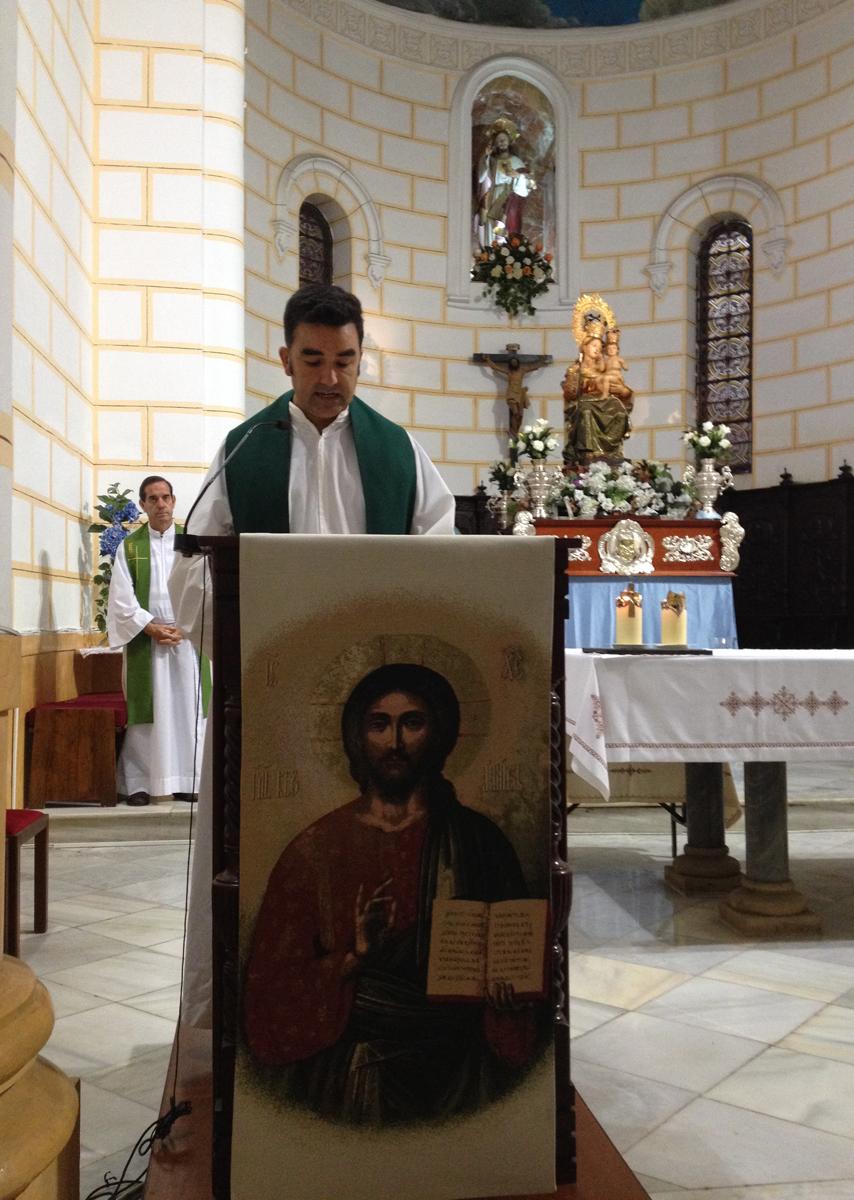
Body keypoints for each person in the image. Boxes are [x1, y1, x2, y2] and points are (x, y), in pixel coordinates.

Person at [171, 283, 456, 1028]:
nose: (330, 378)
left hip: (377, 703)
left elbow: (441, 555)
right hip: (271, 692)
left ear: (362, 358)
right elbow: (192, 570)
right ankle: (254, 1008)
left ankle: (383, 1010)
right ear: (284, 358)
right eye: (312, 360)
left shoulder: (400, 451)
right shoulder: (244, 449)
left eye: (345, 361)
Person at [242, 663, 544, 1125]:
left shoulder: (480, 842)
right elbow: (269, 993)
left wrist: (509, 999)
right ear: (357, 736)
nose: (395, 742)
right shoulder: (316, 849)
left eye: (412, 723)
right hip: (354, 1082)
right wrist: (354, 959)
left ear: (439, 734)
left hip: (463, 1075)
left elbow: (517, 957)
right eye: (379, 724)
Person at [107, 476, 209, 805]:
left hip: (187, 641)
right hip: (147, 641)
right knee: (148, 717)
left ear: (174, 501)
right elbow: (121, 597)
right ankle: (139, 783)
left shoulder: (192, 542)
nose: (161, 504)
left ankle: (189, 779)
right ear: (142, 505)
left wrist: (186, 626)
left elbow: (207, 586)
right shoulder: (130, 547)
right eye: (153, 499)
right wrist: (149, 626)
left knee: (188, 711)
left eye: (165, 497)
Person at [562, 325, 634, 465]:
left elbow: (622, 389)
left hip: (605, 400)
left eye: (600, 347)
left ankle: (611, 454)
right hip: (585, 401)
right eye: (594, 345)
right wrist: (576, 382)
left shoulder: (604, 367)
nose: (597, 349)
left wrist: (624, 391)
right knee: (586, 411)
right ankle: (588, 453)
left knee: (619, 412)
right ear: (584, 346)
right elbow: (570, 394)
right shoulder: (575, 368)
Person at [475, 121, 535, 246]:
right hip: (493, 195)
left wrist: (517, 175)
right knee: (490, 223)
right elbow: (481, 178)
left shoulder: (516, 161)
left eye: (504, 139)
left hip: (510, 197)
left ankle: (505, 250)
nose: (501, 142)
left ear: (509, 141)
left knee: (506, 224)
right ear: (495, 144)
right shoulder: (492, 161)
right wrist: (486, 157)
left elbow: (527, 184)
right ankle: (490, 249)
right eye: (498, 140)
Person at [485, 349, 543, 439]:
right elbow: (496, 367)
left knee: (520, 415)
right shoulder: (509, 372)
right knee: (515, 413)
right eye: (512, 362)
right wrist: (488, 360)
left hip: (520, 394)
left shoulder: (522, 371)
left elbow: (533, 367)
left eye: (515, 362)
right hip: (511, 394)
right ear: (510, 364)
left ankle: (515, 431)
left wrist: (542, 361)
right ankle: (512, 431)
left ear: (518, 363)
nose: (514, 363)